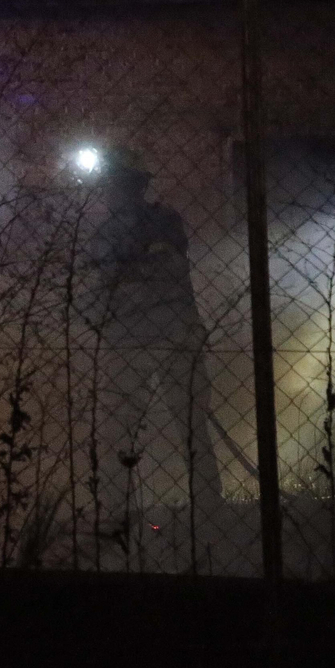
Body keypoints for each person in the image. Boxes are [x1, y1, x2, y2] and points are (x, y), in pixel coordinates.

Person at [78, 145, 225, 521]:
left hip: (153, 337)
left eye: (115, 185)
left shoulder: (158, 223)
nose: (111, 193)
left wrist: (124, 279)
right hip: (152, 337)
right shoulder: (116, 232)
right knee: (126, 432)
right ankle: (122, 512)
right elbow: (100, 287)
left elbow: (162, 270)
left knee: (184, 426)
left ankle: (200, 510)